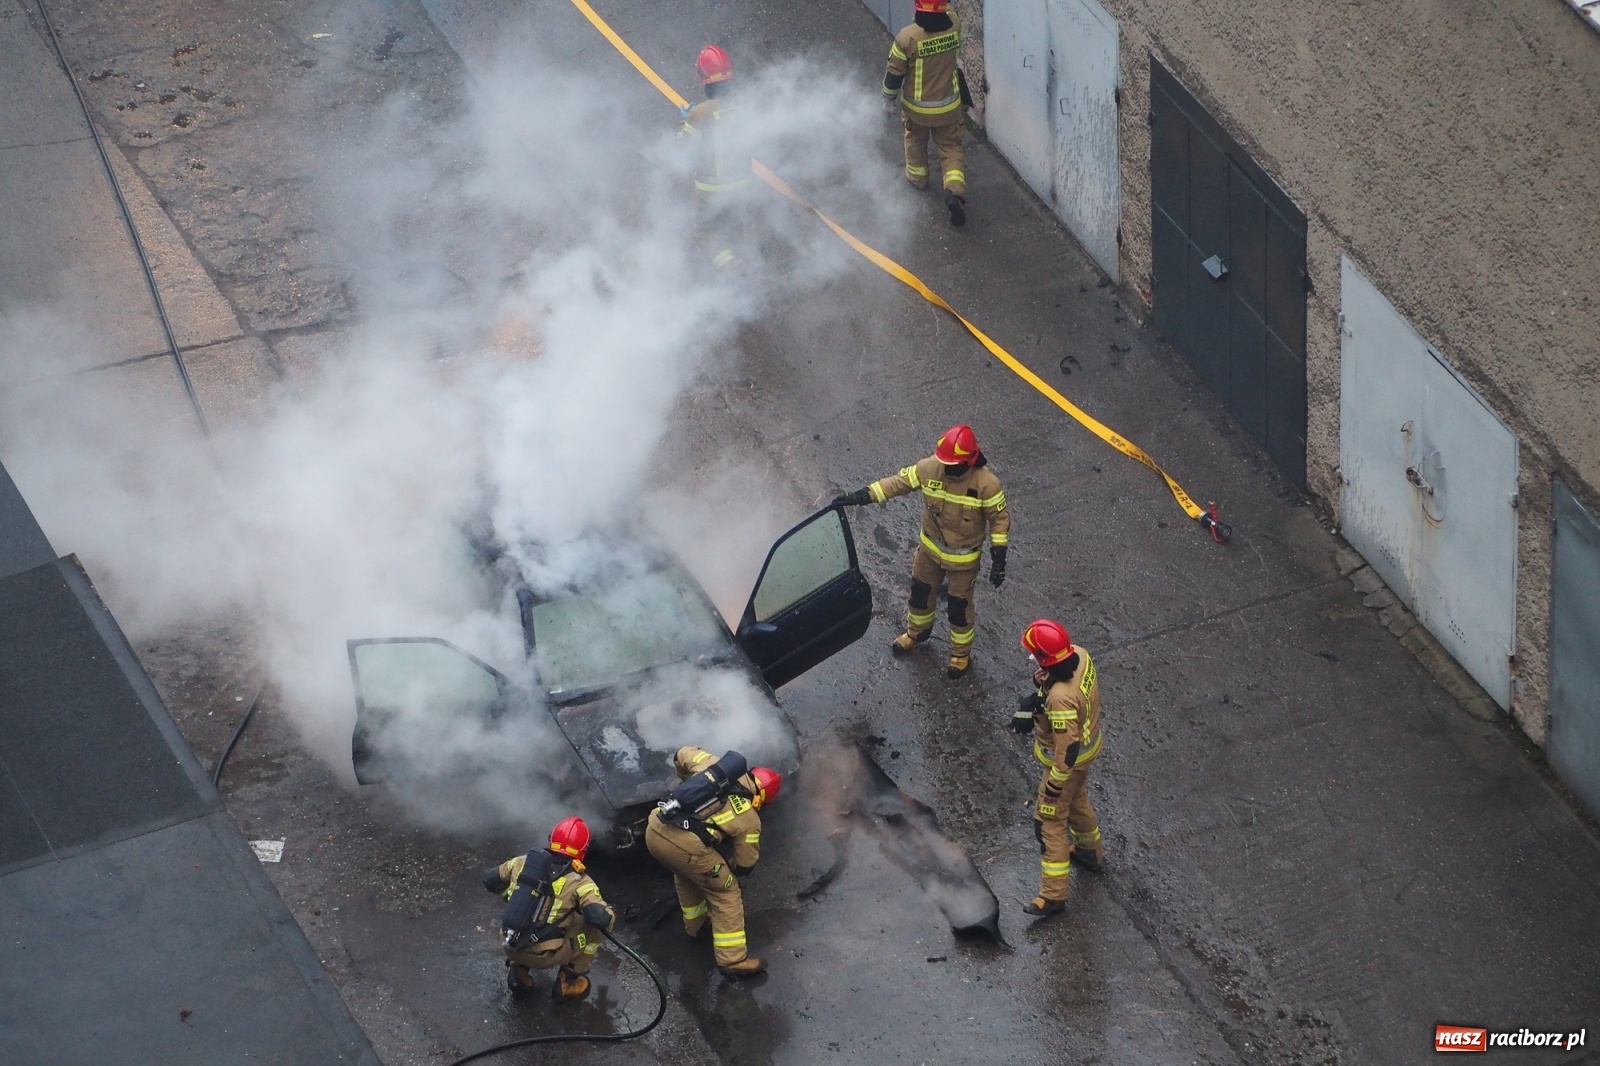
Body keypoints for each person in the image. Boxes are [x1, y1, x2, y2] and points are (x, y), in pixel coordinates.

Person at [834, 424, 1009, 678]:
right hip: (929, 553)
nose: (948, 469)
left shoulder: (987, 484)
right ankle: (916, 634)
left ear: (969, 461)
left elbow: (999, 520)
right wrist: (861, 496)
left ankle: (960, 655)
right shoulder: (930, 468)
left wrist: (999, 556)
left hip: (963, 562)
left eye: (953, 465)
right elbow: (896, 484)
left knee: (959, 609)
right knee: (919, 595)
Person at [644, 746, 782, 977]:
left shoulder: (714, 767)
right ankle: (733, 960)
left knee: (686, 873)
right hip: (684, 848)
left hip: (655, 829)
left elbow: (682, 753)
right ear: (762, 799)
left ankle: (696, 927)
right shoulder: (749, 817)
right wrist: (729, 868)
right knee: (725, 893)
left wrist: (687, 783)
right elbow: (745, 864)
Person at [1012, 619, 1104, 918]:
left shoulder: (1060, 699)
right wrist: (1040, 688)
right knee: (1076, 801)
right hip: (1087, 754)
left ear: (1045, 658)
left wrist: (1053, 785)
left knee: (1048, 823)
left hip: (1066, 766)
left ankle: (1053, 896)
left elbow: (1067, 748)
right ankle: (1090, 854)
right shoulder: (1080, 654)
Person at [482, 816, 616, 999]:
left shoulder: (522, 861)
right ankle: (569, 981)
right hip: (545, 955)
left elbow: (489, 880)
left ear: (551, 839)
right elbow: (599, 918)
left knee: (526, 916)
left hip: (509, 942)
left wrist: (512, 898)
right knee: (595, 926)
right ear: (584, 850)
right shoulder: (580, 881)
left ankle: (519, 970)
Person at [882, 0, 969, 226]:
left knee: (915, 142)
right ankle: (954, 190)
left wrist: (888, 100)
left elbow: (894, 74)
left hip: (916, 110)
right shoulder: (955, 26)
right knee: (950, 147)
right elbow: (950, 12)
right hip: (949, 108)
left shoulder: (907, 37)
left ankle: (918, 179)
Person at [679, 44, 752, 270]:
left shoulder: (699, 112)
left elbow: (683, 148)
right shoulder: (745, 105)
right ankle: (747, 256)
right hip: (743, 183)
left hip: (710, 190)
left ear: (703, 80)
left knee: (704, 229)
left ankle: (729, 264)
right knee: (736, 221)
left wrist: (686, 119)